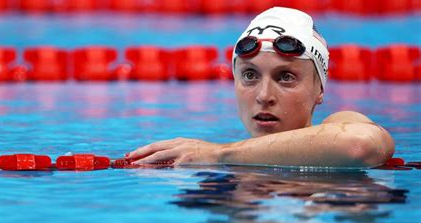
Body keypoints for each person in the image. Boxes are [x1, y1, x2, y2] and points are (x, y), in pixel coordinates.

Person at [125, 7, 394, 168]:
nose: (264, 96)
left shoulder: (342, 124)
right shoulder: (221, 187)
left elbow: (360, 145)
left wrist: (218, 153)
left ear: (319, 89)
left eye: (286, 77)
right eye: (250, 75)